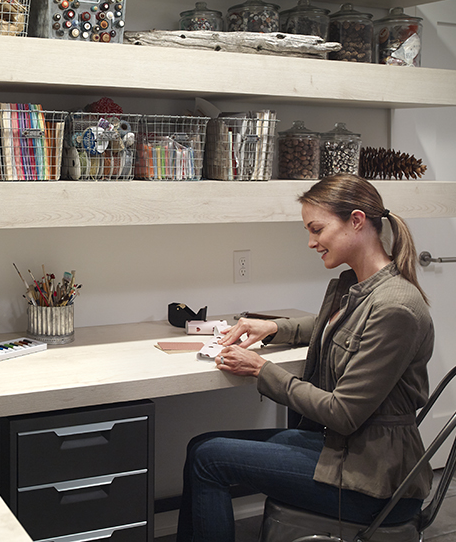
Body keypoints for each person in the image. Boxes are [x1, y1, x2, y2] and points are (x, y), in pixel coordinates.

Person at [176, 174, 434, 542]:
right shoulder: (359, 285)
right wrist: (274, 328)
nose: (311, 242)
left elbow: (342, 414)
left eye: (317, 229)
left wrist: (262, 370)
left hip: (372, 482)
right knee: (201, 446)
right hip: (348, 453)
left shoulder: (397, 307)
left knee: (209, 459)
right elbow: (337, 327)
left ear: (356, 221)